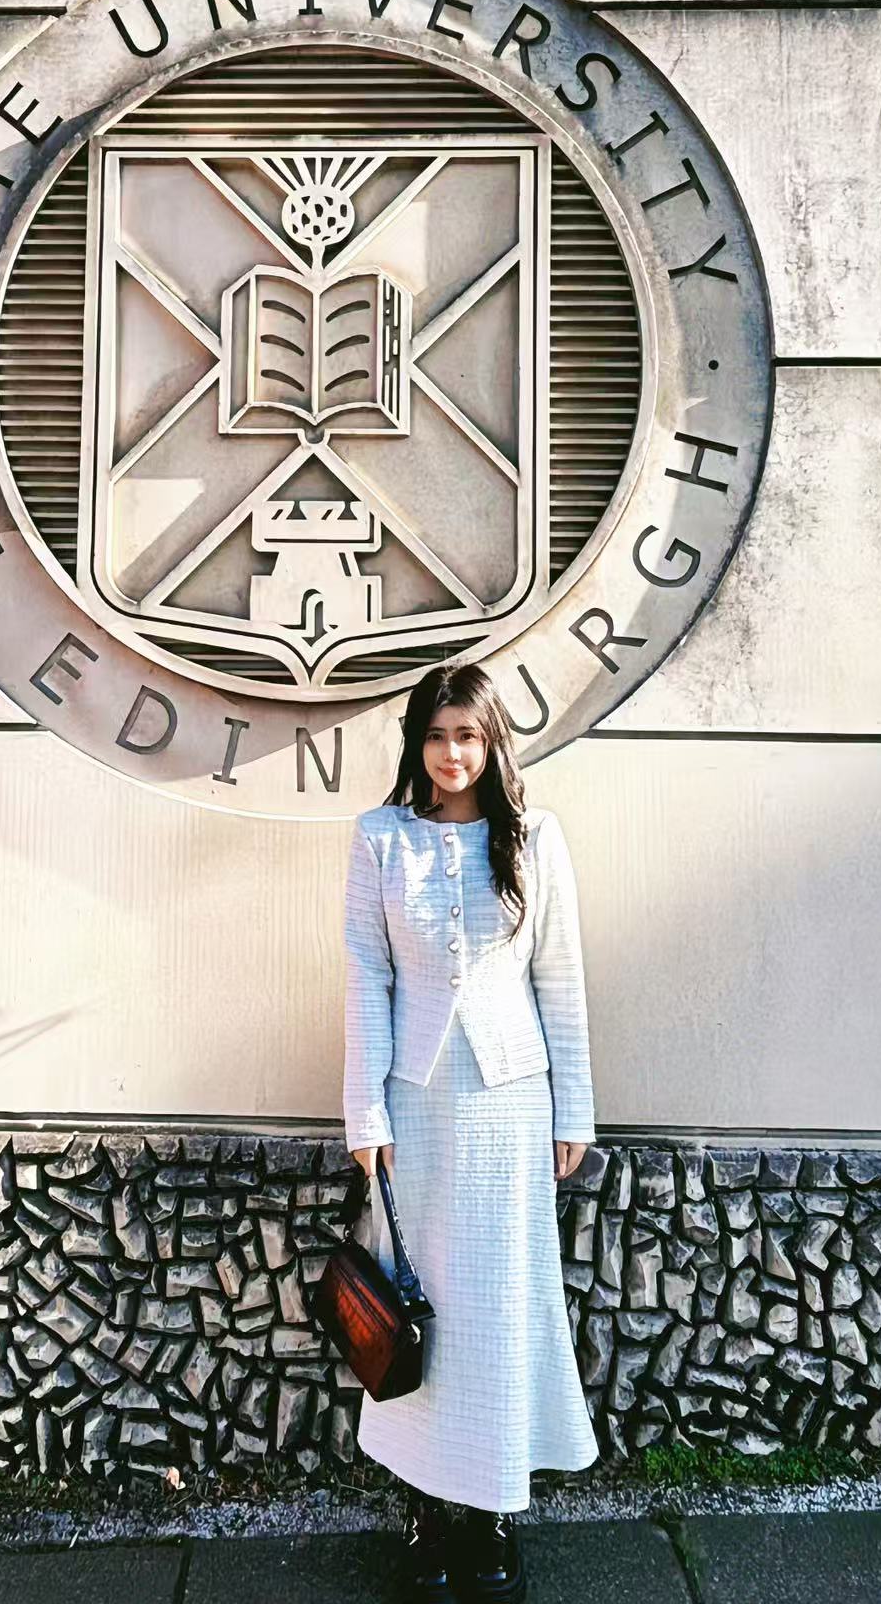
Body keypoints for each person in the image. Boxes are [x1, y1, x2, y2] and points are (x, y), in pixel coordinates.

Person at [342, 659, 600, 1600]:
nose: (452, 753)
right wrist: (364, 1112)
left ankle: (489, 1512)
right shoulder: (380, 839)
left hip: (509, 1105)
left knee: (496, 1305)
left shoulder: (533, 838)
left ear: (492, 743)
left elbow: (560, 977)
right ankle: (423, 1506)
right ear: (417, 743)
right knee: (418, 1307)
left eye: (468, 735)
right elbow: (366, 976)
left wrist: (575, 1107)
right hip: (413, 1106)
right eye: (437, 735)